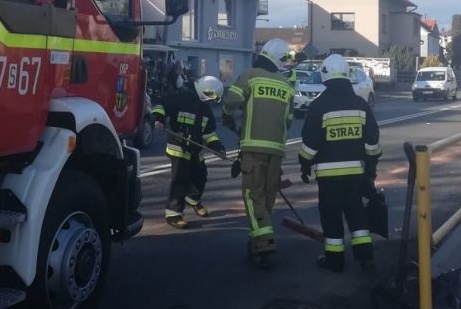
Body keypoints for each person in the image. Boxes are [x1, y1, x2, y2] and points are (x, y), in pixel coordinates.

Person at [298, 53, 382, 274]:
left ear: (325, 76)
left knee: (331, 215)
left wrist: (304, 165)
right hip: (356, 174)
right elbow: (373, 142)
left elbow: (310, 144)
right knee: (356, 213)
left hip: (329, 178)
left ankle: (335, 262)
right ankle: (366, 259)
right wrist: (370, 171)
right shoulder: (361, 105)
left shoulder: (319, 106)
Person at [222, 38, 294, 268]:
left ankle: (264, 243)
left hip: (253, 148)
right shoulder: (286, 84)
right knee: (266, 197)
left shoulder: (251, 75)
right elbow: (289, 121)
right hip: (277, 151)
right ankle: (255, 243)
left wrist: (226, 115)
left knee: (254, 197)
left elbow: (232, 99)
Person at [152, 75, 227, 227]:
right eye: (211, 99)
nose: (212, 103)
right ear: (206, 93)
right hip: (178, 148)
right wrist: (158, 118)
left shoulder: (207, 112)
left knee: (201, 177)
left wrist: (218, 148)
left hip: (196, 150)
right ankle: (173, 214)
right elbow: (160, 105)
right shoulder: (181, 98)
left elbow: (209, 134)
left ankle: (193, 199)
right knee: (180, 179)